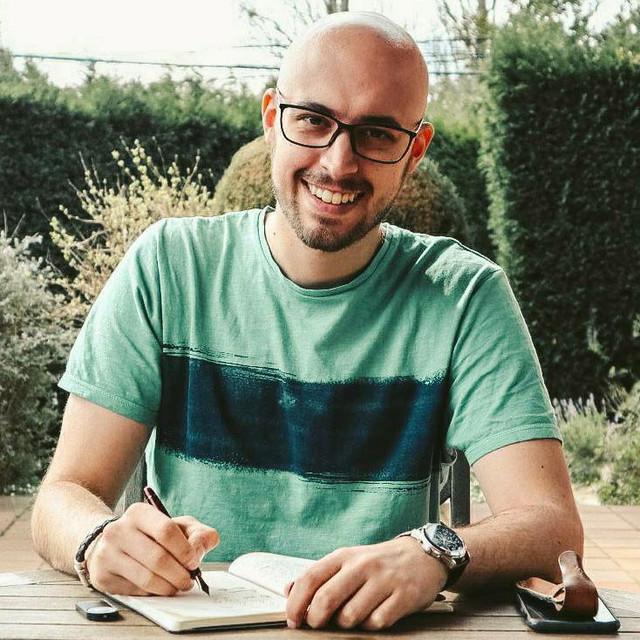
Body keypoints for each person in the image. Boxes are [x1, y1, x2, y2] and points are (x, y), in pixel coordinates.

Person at [31, 11, 583, 631]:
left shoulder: (464, 295)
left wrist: (434, 551)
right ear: (273, 119)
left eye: (377, 134)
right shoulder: (168, 266)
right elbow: (61, 497)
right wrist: (97, 539)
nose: (339, 163)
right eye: (314, 120)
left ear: (414, 152)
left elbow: (552, 528)